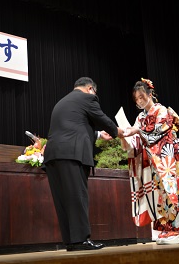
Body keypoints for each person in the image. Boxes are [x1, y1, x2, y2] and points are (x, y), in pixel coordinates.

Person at [43, 77, 123, 252]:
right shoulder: (87, 98)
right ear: (90, 88)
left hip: (53, 155)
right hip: (71, 154)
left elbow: (73, 127)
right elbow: (102, 118)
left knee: (63, 200)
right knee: (77, 197)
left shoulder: (63, 101)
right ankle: (81, 240)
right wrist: (119, 132)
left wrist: (98, 135)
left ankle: (72, 241)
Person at [121, 78, 179, 245]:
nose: (139, 101)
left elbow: (157, 132)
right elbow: (137, 138)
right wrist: (125, 136)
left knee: (171, 190)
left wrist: (137, 131)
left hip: (167, 156)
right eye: (136, 99)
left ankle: (175, 230)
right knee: (157, 194)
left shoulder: (161, 111)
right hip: (152, 160)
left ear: (150, 94)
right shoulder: (140, 117)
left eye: (141, 97)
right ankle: (164, 229)